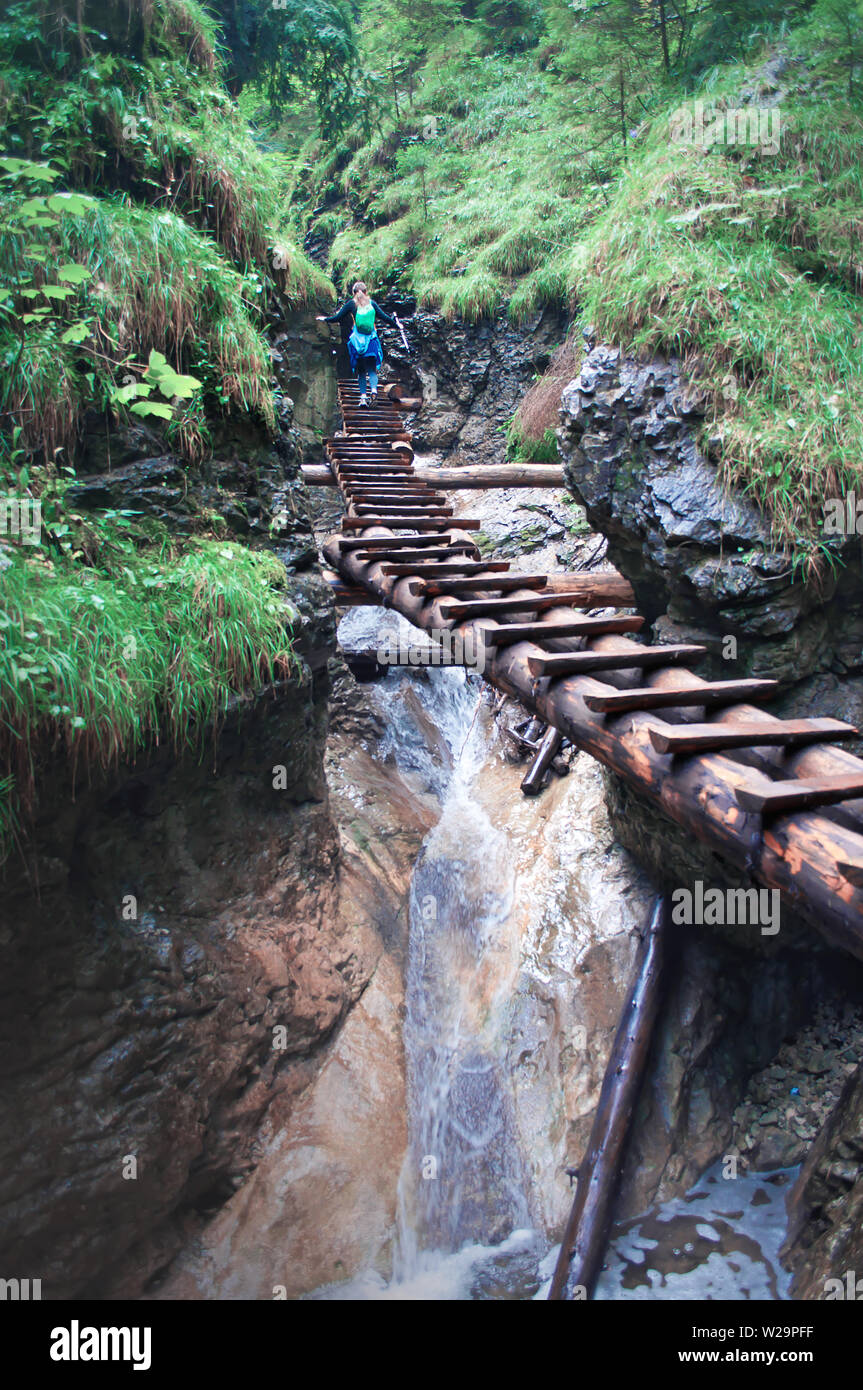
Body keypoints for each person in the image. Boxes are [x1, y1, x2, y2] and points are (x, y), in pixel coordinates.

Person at [317, 282, 397, 405]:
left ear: (353, 292)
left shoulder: (351, 304)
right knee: (371, 370)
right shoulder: (372, 304)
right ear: (366, 292)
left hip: (357, 343)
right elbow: (384, 317)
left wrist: (325, 319)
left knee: (361, 372)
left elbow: (338, 318)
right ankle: (374, 391)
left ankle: (363, 398)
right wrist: (397, 325)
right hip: (371, 341)